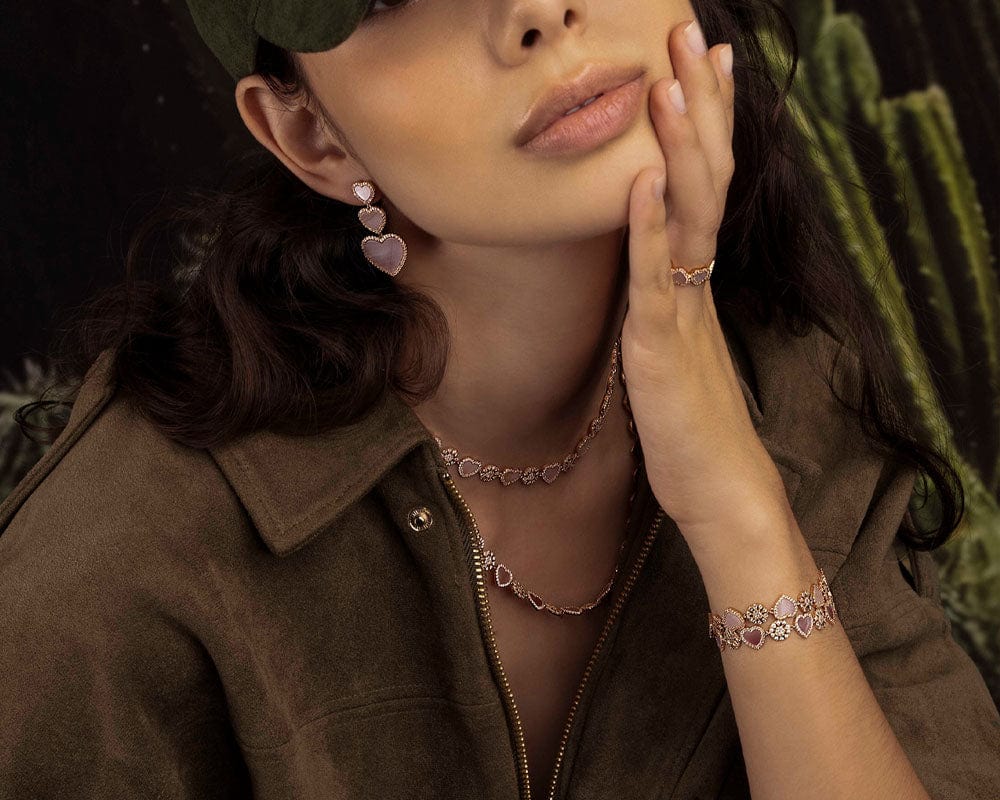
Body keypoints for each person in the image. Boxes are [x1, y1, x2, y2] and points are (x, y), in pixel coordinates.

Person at [1, 0, 998, 798]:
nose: (533, 12)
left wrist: (737, 510)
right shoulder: (122, 561)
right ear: (311, 136)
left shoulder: (794, 389)